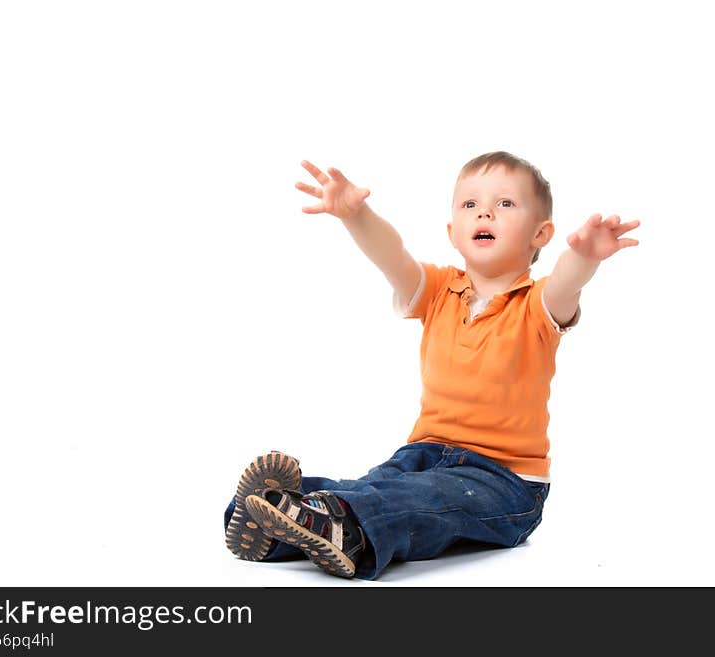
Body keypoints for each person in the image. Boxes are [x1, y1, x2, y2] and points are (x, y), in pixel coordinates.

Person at [223, 151, 640, 579]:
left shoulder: (536, 305)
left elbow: (567, 286)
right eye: (470, 205)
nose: (486, 212)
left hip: (504, 481)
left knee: (422, 500)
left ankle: (342, 527)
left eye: (505, 204)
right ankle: (281, 511)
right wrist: (356, 215)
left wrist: (586, 257)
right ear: (452, 233)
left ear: (541, 233)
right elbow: (393, 257)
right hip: (422, 452)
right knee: (375, 485)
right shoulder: (439, 290)